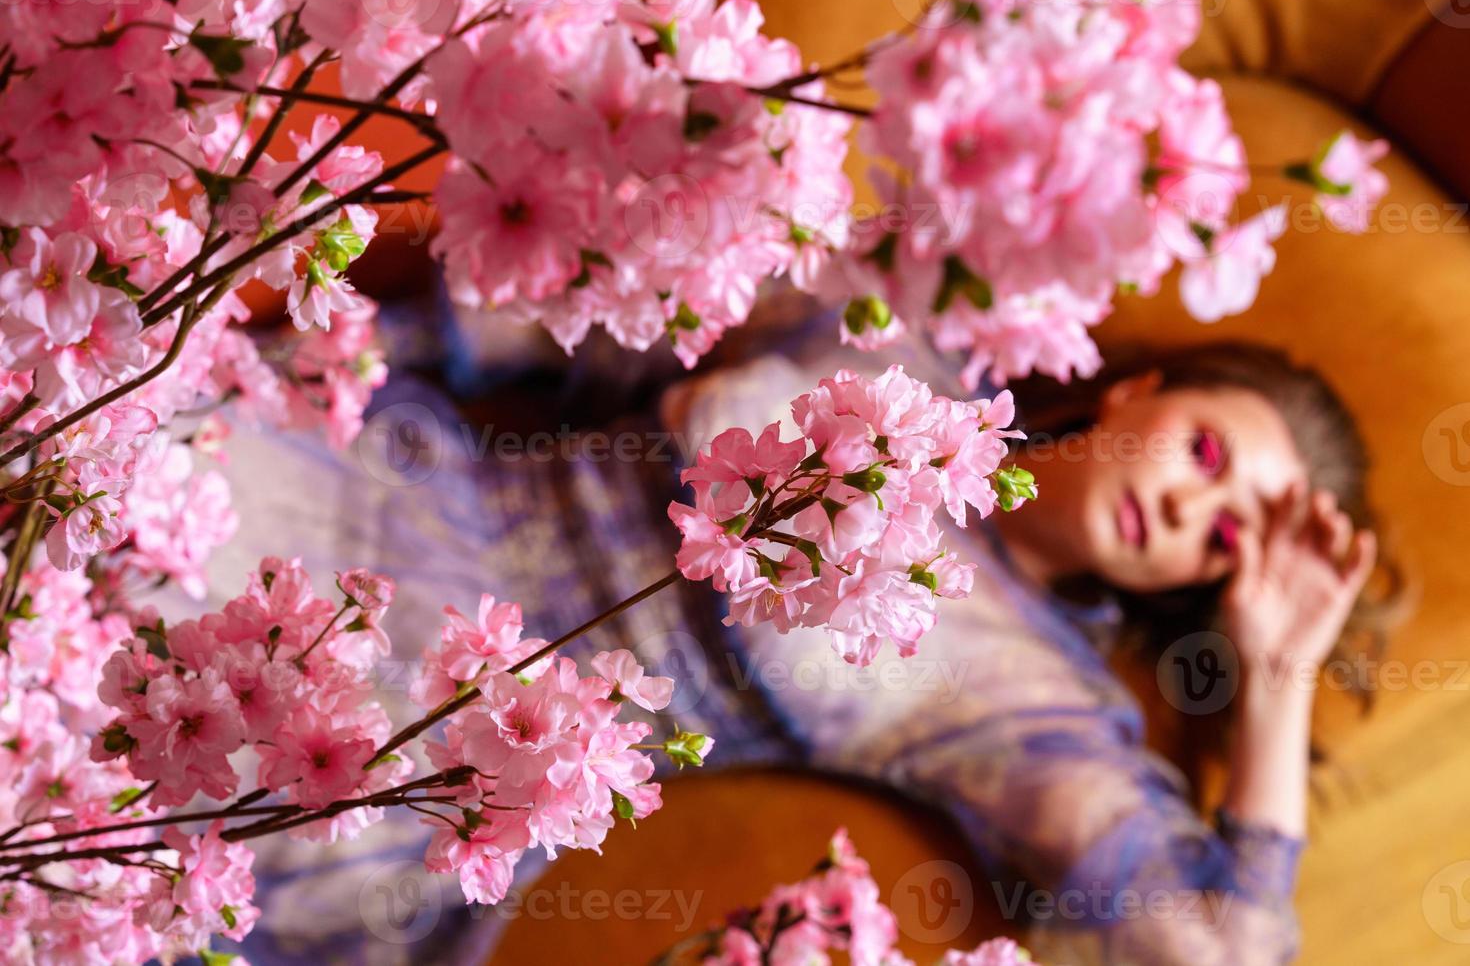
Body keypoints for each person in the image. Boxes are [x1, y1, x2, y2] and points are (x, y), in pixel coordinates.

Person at [211, 293, 1396, 965]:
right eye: (1206, 453)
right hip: (374, 499)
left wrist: (1276, 677)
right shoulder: (895, 334)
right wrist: (266, 348)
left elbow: (1216, 949)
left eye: (1226, 539)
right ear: (1141, 391)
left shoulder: (1039, 706)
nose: (1191, 506)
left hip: (463, 772)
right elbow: (567, 306)